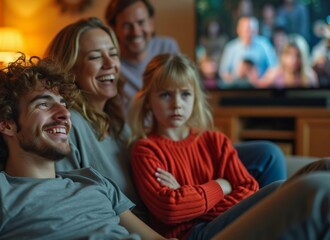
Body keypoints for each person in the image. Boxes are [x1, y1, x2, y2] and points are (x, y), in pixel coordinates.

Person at [0, 54, 168, 240]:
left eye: (63, 104)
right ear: (7, 124)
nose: (65, 114)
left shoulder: (92, 179)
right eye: (43, 104)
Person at [128, 53, 330, 239]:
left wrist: (187, 195)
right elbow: (171, 209)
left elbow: (249, 190)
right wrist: (222, 186)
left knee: (323, 168)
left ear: (195, 97)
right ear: (147, 101)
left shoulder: (215, 140)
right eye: (165, 95)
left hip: (227, 223)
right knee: (288, 189)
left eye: (185, 94)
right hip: (193, 235)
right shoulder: (146, 150)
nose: (177, 104)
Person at [106, 0, 287, 188]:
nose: (136, 31)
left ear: (151, 22)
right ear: (114, 29)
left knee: (269, 154)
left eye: (141, 22)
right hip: (159, 149)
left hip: (189, 141)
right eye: (127, 25)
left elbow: (188, 92)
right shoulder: (111, 67)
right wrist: (219, 187)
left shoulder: (167, 46)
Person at [44, 17, 148, 220]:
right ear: (69, 69)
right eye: (95, 57)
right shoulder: (67, 125)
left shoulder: (118, 122)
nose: (110, 64)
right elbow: (75, 205)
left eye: (113, 54)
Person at [219, 15, 278, 86]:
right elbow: (223, 72)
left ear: (257, 30)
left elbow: (274, 67)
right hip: (236, 88)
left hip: (261, 87)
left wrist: (262, 81)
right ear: (238, 30)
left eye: (252, 30)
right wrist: (236, 80)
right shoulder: (230, 47)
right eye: (246, 30)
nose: (249, 33)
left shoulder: (264, 44)